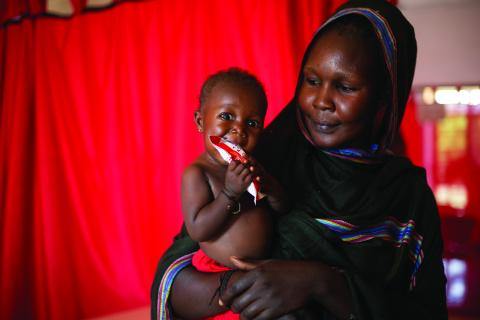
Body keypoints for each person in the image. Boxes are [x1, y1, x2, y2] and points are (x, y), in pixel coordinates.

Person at [151, 1, 448, 319]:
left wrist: (322, 284)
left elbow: (428, 312)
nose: (321, 101)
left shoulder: (407, 197)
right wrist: (242, 285)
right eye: (312, 81)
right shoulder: (263, 157)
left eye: (345, 87)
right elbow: (174, 277)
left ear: (384, 98)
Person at [181, 68, 289, 319]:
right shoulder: (198, 174)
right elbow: (198, 230)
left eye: (252, 123)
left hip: (263, 266)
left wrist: (271, 189)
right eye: (226, 116)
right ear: (200, 122)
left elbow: (283, 209)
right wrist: (229, 193)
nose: (239, 130)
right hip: (218, 272)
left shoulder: (254, 165)